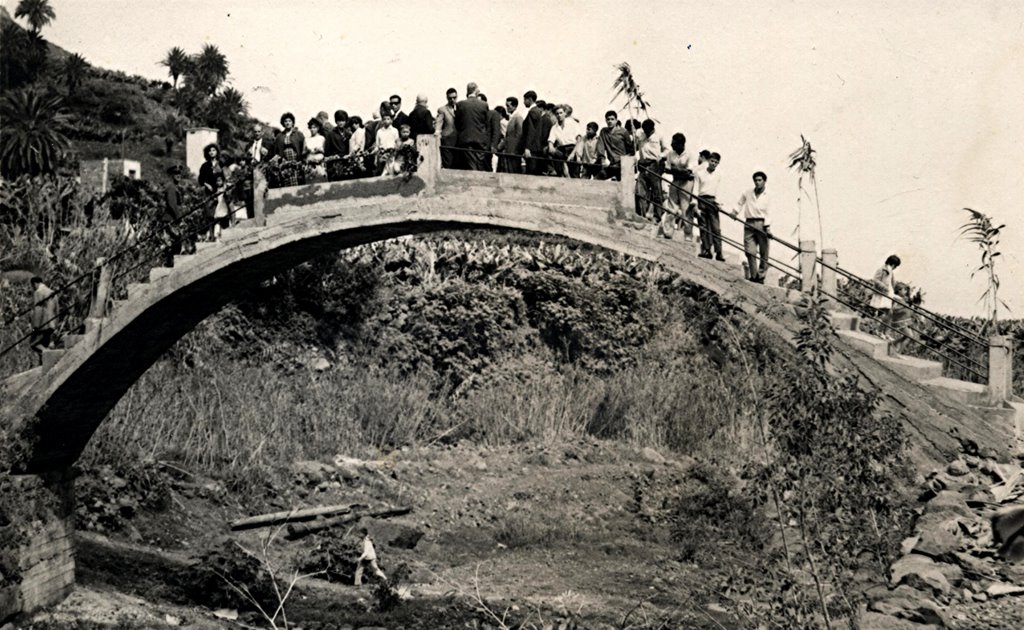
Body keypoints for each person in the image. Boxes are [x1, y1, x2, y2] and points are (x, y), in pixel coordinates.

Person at [733, 171, 771, 283]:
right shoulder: (748, 192)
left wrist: (767, 227)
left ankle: (761, 275)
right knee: (750, 251)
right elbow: (740, 202)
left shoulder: (768, 195)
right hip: (749, 223)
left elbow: (770, 211)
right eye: (755, 180)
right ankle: (754, 275)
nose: (757, 182)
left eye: (760, 180)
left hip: (762, 224)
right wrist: (735, 212)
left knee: (764, 251)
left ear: (764, 181)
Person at [662, 132, 697, 240]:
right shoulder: (671, 154)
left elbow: (689, 173)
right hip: (676, 181)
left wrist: (676, 170)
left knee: (685, 209)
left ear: (681, 144)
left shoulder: (690, 154)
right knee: (671, 208)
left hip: (686, 184)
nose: (672, 145)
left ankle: (688, 234)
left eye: (674, 144)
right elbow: (667, 169)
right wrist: (679, 171)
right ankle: (667, 232)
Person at [454, 82, 491, 171]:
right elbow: (486, 122)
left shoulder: (460, 105)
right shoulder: (484, 105)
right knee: (480, 166)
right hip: (480, 141)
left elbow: (457, 123)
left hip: (465, 140)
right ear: (476, 91)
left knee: (469, 167)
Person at [636, 120, 667, 222]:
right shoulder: (641, 135)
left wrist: (660, 157)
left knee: (656, 192)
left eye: (648, 130)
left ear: (653, 128)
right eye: (645, 130)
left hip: (654, 165)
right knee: (640, 192)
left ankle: (657, 217)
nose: (647, 132)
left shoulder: (659, 136)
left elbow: (667, 150)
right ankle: (642, 215)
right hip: (643, 165)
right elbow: (635, 144)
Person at [695, 152, 724, 260]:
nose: (713, 164)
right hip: (701, 199)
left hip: (712, 201)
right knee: (703, 226)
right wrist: (694, 203)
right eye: (712, 161)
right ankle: (707, 250)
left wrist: (718, 203)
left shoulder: (719, 174)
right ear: (708, 160)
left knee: (716, 228)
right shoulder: (700, 173)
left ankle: (719, 252)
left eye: (716, 162)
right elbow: (696, 188)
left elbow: (719, 189)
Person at [870, 255, 902, 339]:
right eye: (895, 265)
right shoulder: (882, 269)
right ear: (893, 264)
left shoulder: (890, 271)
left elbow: (892, 283)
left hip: (887, 295)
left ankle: (883, 332)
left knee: (888, 314)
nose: (895, 267)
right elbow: (876, 280)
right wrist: (885, 288)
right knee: (888, 313)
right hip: (882, 294)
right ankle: (880, 331)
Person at [519, 96, 553, 176]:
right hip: (537, 149)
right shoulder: (539, 114)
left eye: (525, 100)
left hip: (533, 148)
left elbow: (531, 131)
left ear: (529, 99)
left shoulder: (533, 112)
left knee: (531, 172)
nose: (524, 102)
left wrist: (527, 147)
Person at [29, 276, 57, 364]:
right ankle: (44, 362)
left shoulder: (38, 292)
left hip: (43, 324)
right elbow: (57, 310)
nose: (33, 288)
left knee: (33, 343)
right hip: (52, 323)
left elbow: (38, 309)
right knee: (45, 343)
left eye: (32, 286)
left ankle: (49, 354)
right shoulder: (52, 292)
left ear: (35, 284)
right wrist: (55, 323)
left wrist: (35, 326)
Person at [596, 111, 631, 180]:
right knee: (597, 179)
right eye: (608, 119)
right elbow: (600, 146)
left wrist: (626, 160)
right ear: (606, 120)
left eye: (612, 119)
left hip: (623, 164)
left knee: (624, 186)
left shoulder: (623, 132)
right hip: (612, 164)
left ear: (616, 120)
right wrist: (602, 159)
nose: (610, 121)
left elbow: (630, 149)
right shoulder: (603, 131)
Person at [546, 105, 578, 177]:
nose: (559, 115)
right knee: (561, 173)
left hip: (572, 149)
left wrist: (573, 153)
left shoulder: (572, 124)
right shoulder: (554, 127)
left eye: (561, 113)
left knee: (574, 175)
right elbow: (551, 140)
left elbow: (579, 140)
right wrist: (551, 147)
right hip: (561, 150)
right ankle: (557, 171)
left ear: (565, 114)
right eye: (557, 113)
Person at [500, 94, 529, 174]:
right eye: (506, 106)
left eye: (508, 106)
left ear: (515, 106)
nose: (507, 108)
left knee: (514, 172)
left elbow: (520, 135)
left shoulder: (518, 117)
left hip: (514, 152)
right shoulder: (512, 117)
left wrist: (516, 150)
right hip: (509, 151)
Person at [435, 87, 458, 168]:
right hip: (447, 143)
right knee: (448, 166)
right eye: (450, 98)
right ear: (447, 98)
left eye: (454, 98)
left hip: (458, 143)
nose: (452, 100)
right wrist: (437, 135)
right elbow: (438, 125)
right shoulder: (442, 110)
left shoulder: (460, 108)